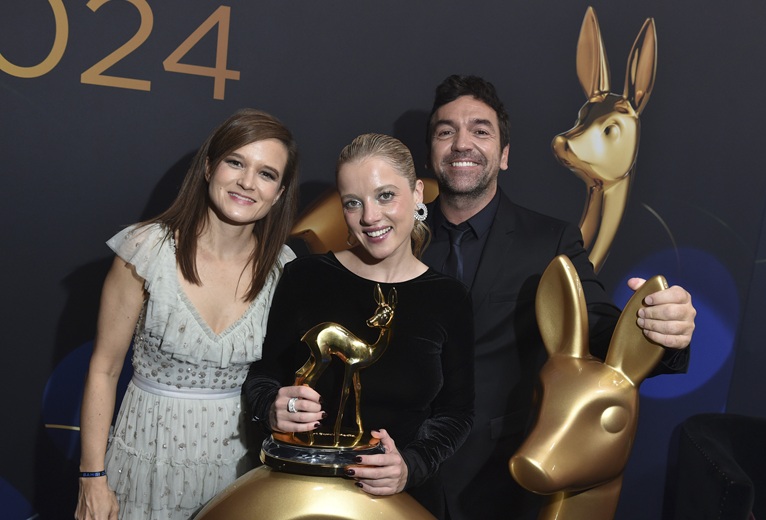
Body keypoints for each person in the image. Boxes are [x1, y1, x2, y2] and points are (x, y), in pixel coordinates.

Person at [421, 75, 697, 519]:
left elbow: (596, 328)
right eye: (445, 131)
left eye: (480, 130)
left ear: (504, 155)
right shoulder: (393, 237)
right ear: (432, 151)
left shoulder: (549, 241)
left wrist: (659, 329)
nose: (461, 143)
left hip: (495, 482)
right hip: (394, 475)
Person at [74, 108, 300, 520]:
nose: (247, 182)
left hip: (237, 468)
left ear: (280, 192)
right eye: (236, 162)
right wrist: (92, 478)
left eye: (267, 174)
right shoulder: (146, 250)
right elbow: (104, 369)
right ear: (210, 166)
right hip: (146, 457)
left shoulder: (284, 269)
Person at [243, 133, 475, 517]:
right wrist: (270, 406)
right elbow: (264, 375)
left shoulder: (449, 297)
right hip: (299, 497)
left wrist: (410, 466)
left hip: (400, 502)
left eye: (385, 195)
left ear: (417, 193)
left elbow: (457, 412)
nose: (369, 217)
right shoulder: (305, 276)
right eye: (353, 203)